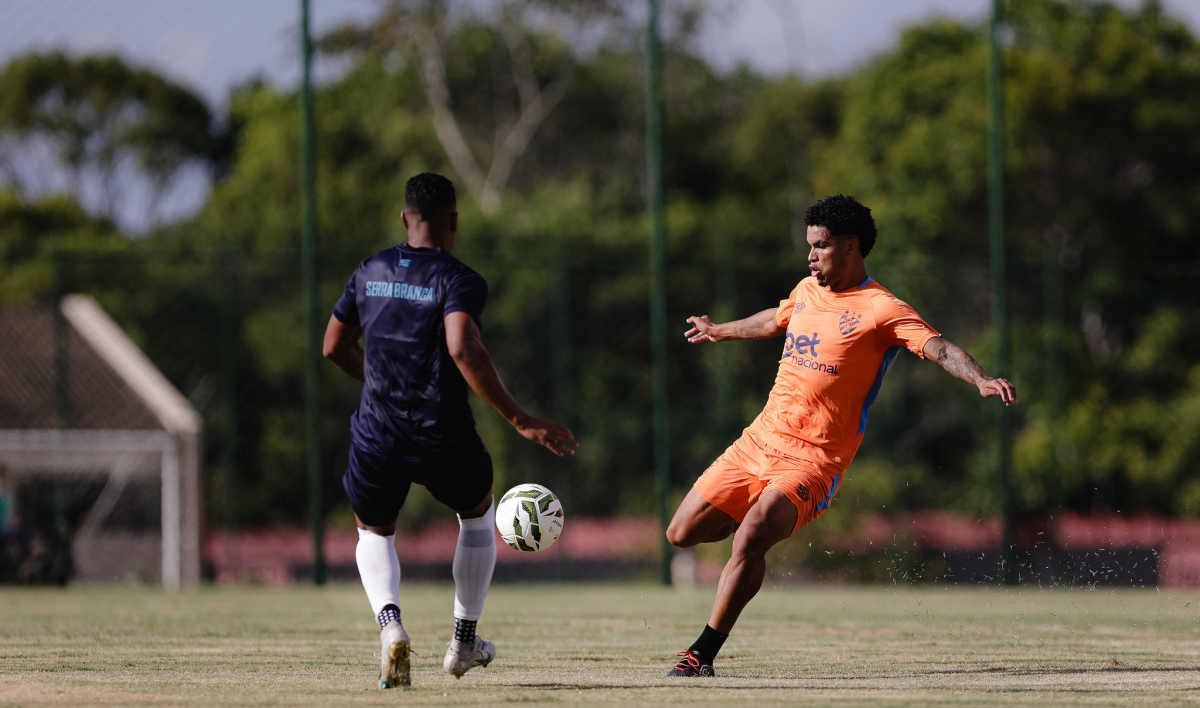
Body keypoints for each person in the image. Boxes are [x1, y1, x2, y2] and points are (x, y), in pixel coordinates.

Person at [664, 195, 1017, 677]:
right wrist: (720, 330)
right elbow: (775, 319)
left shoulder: (882, 308)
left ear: (850, 247)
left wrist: (979, 377)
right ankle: (753, 516)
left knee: (750, 538)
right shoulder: (807, 290)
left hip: (813, 462)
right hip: (756, 443)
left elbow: (937, 346)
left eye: (821, 246)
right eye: (809, 246)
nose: (811, 256)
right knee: (681, 534)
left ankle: (700, 654)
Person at [324, 172, 576, 688]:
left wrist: (380, 382)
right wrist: (522, 420)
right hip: (440, 429)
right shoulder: (459, 279)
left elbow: (332, 346)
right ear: (454, 221)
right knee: (478, 514)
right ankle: (463, 642)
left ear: (404, 218)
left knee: (373, 529)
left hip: (376, 431)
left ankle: (391, 627)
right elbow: (461, 345)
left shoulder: (369, 270)